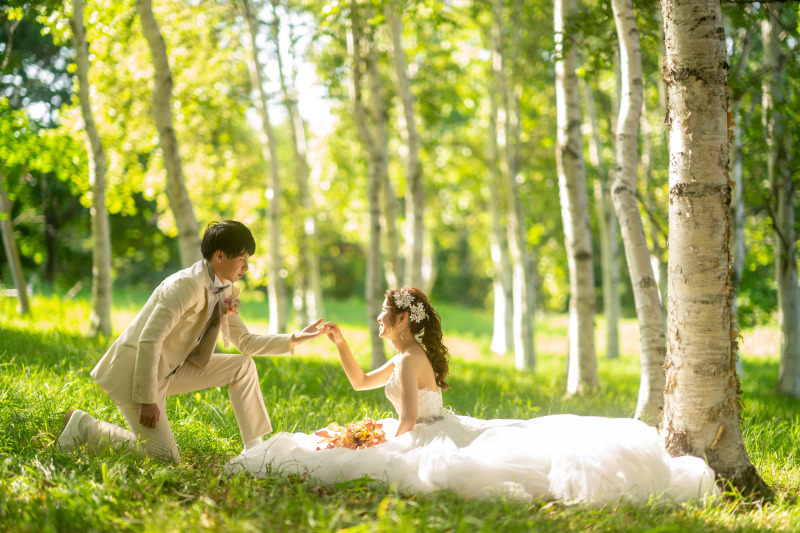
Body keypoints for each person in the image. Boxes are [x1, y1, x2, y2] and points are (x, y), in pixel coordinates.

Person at [226, 287, 720, 505]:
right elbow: (359, 382)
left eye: (383, 314)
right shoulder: (403, 357)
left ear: (402, 320)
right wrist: (336, 342)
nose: (377, 320)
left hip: (429, 436)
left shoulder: (410, 358)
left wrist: (373, 442)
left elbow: (408, 424)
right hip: (426, 430)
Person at [54, 220, 326, 462]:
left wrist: (296, 339)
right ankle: (85, 427)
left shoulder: (225, 286)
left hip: (172, 370)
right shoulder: (185, 285)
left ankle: (254, 451)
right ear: (220, 256)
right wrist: (148, 399)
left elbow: (246, 342)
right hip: (137, 375)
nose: (246, 266)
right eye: (242, 258)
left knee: (242, 366)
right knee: (162, 458)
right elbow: (150, 339)